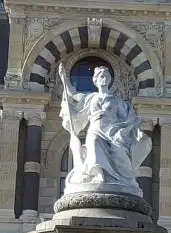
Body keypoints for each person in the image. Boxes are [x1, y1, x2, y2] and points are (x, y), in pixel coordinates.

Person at [58, 63, 150, 196]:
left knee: (119, 153)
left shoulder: (117, 101)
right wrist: (64, 79)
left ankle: (125, 180)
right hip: (95, 130)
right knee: (94, 141)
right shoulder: (91, 98)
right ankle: (98, 175)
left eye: (106, 76)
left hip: (112, 132)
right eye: (101, 76)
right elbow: (72, 95)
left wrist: (126, 131)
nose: (104, 78)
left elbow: (132, 118)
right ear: (95, 80)